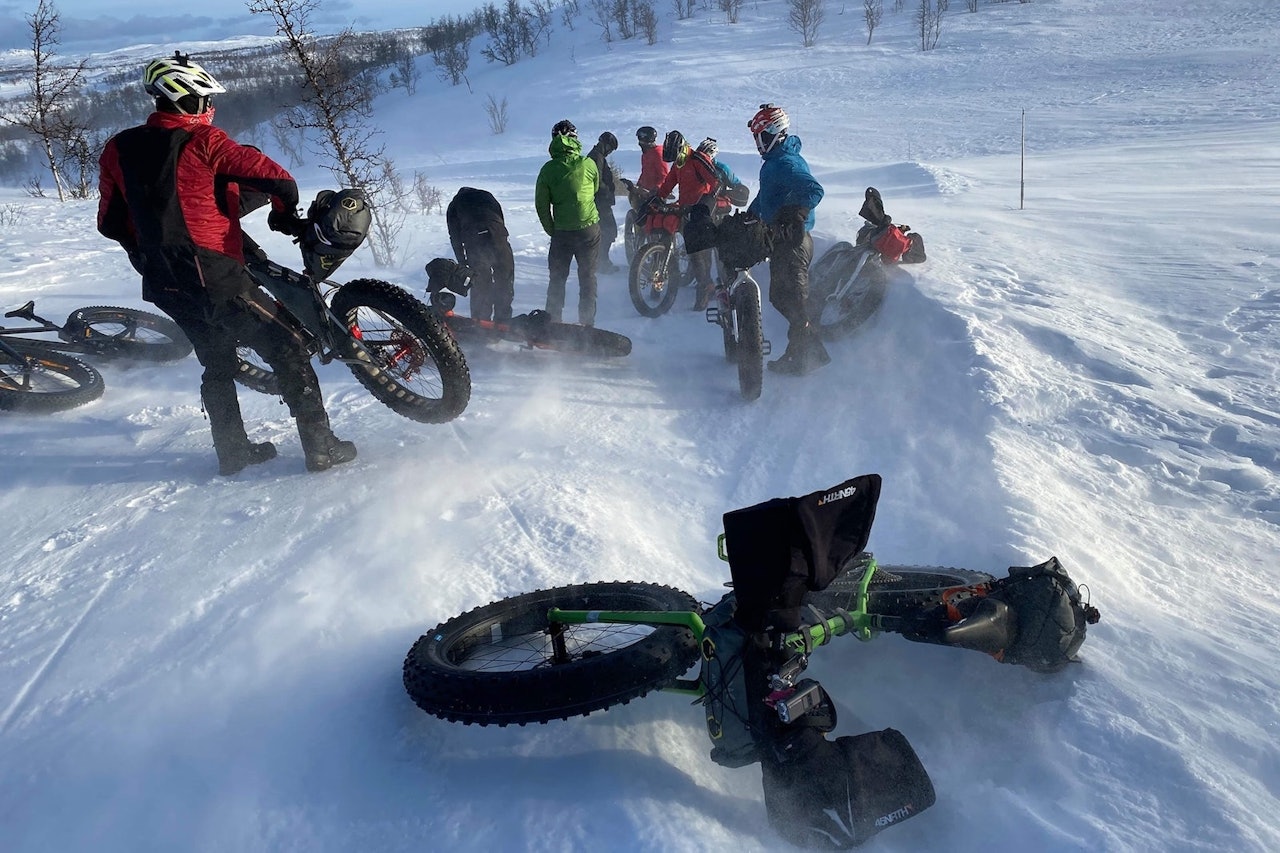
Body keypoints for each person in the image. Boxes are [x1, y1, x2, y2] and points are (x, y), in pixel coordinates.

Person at [97, 51, 356, 475]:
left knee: (216, 360)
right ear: (189, 102)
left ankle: (233, 451)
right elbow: (279, 179)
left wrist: (151, 246)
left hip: (164, 282)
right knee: (288, 346)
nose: (211, 108)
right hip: (215, 276)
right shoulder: (205, 141)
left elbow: (109, 222)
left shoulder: (118, 148)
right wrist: (283, 215)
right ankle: (321, 445)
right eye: (205, 100)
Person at [745, 103, 829, 376]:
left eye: (762, 137)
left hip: (794, 241)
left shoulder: (785, 162)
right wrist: (751, 214)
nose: (759, 144)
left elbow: (813, 189)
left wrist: (796, 213)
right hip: (784, 241)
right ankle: (806, 347)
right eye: (757, 139)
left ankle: (804, 356)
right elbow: (769, 196)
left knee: (792, 301)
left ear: (775, 133)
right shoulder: (774, 163)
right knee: (781, 297)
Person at [535, 119, 601, 326]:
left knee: (557, 279)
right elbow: (596, 188)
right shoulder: (588, 164)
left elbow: (541, 205)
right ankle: (587, 323)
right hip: (589, 229)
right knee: (587, 277)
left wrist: (552, 230)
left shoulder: (547, 169)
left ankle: (553, 322)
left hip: (562, 232)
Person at [653, 130, 720, 311]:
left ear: (682, 148)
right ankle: (701, 281)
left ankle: (706, 289)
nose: (675, 161)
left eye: (676, 157)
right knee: (692, 252)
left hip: (702, 211)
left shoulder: (698, 159)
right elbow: (668, 184)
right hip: (685, 209)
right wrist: (657, 198)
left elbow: (716, 182)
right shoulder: (679, 164)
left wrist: (706, 203)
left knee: (700, 254)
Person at [445, 186, 515, 323]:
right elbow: (500, 218)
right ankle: (503, 322)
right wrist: (499, 238)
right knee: (505, 281)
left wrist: (462, 262)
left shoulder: (454, 205)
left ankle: (480, 324)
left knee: (481, 284)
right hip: (499, 236)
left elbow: (454, 237)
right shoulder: (487, 195)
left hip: (475, 241)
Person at [585, 132, 621, 274]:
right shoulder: (596, 157)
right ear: (605, 145)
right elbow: (597, 182)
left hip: (600, 201)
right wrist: (607, 192)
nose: (610, 152)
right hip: (600, 202)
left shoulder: (597, 156)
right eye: (610, 149)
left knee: (606, 231)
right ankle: (602, 262)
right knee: (608, 230)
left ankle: (600, 260)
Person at [635, 125, 669, 194]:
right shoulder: (646, 154)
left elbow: (664, 175)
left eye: (641, 140)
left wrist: (657, 188)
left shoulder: (657, 154)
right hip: (645, 193)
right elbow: (645, 172)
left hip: (655, 195)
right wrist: (638, 185)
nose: (640, 143)